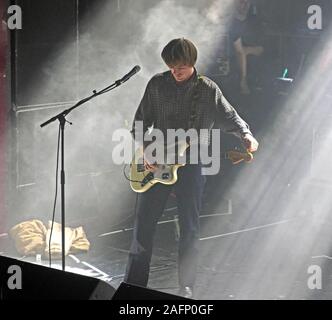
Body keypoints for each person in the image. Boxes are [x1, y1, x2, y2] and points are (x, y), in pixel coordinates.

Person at [124, 38, 259, 298]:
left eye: (181, 67)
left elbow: (230, 116)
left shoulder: (207, 89)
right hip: (157, 162)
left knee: (189, 228)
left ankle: (186, 288)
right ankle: (133, 286)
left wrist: (246, 135)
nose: (176, 72)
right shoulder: (157, 84)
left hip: (192, 163)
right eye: (172, 67)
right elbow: (139, 124)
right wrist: (147, 150)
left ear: (193, 63)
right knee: (143, 227)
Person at [230, 0, 264, 94]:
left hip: (256, 68)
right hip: (234, 67)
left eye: (247, 2)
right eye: (242, 2)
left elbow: (261, 49)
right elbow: (239, 51)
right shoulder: (232, 24)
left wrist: (247, 50)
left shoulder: (255, 22)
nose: (245, 5)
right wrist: (243, 81)